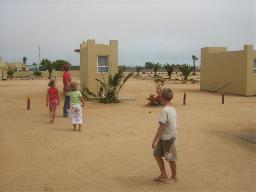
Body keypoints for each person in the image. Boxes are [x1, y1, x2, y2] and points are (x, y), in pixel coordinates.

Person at [152, 88, 178, 184]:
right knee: (157, 154)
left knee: (170, 158)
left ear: (161, 97)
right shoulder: (172, 109)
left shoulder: (165, 110)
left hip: (169, 139)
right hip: (164, 138)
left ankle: (174, 177)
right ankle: (163, 174)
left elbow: (162, 126)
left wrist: (154, 140)